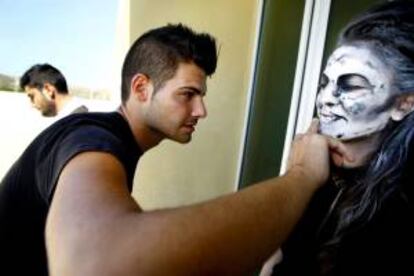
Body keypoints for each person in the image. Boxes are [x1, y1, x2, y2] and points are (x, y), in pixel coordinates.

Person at [0, 24, 349, 276]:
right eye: (187, 94)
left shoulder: (109, 142)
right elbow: (95, 263)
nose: (201, 111)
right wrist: (302, 176)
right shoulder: (93, 139)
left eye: (202, 96)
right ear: (141, 88)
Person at [264, 1, 414, 275]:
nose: (326, 99)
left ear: (403, 104)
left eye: (352, 85)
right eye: (325, 83)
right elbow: (275, 257)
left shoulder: (399, 208)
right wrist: (298, 179)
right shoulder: (316, 166)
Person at [20, 63, 88, 118]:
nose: (32, 105)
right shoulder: (75, 119)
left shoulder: (79, 123)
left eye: (32, 97)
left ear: (48, 90)